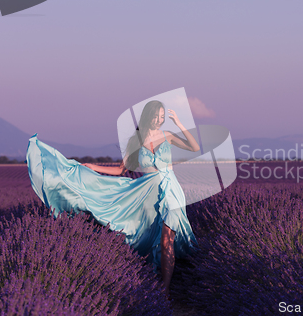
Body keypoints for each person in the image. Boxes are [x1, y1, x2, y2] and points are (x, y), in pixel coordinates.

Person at [26, 100, 200, 299]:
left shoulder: (168, 136)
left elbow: (194, 147)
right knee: (154, 238)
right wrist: (93, 167)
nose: (159, 121)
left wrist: (178, 123)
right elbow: (120, 170)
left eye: (162, 117)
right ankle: (160, 283)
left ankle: (166, 290)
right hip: (147, 195)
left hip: (171, 191)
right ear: (147, 116)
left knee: (167, 240)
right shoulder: (136, 140)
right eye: (156, 116)